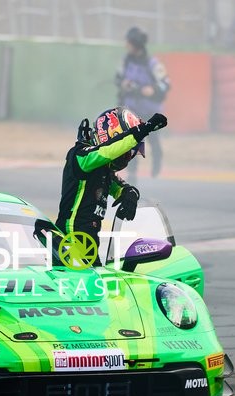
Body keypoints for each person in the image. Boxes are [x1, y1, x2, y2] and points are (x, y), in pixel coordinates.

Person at [55, 107, 167, 255]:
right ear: (112, 137)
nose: (128, 155)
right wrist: (144, 129)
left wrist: (130, 192)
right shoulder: (80, 156)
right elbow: (107, 151)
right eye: (128, 151)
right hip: (67, 244)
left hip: (87, 246)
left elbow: (118, 186)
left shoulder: (103, 169)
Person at [116, 27, 170, 180]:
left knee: (153, 140)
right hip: (132, 110)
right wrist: (123, 84)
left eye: (128, 42)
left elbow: (165, 84)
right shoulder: (125, 62)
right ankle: (132, 172)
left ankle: (156, 169)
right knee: (134, 141)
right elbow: (117, 79)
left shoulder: (152, 63)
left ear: (135, 44)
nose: (126, 45)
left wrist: (152, 89)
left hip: (150, 110)